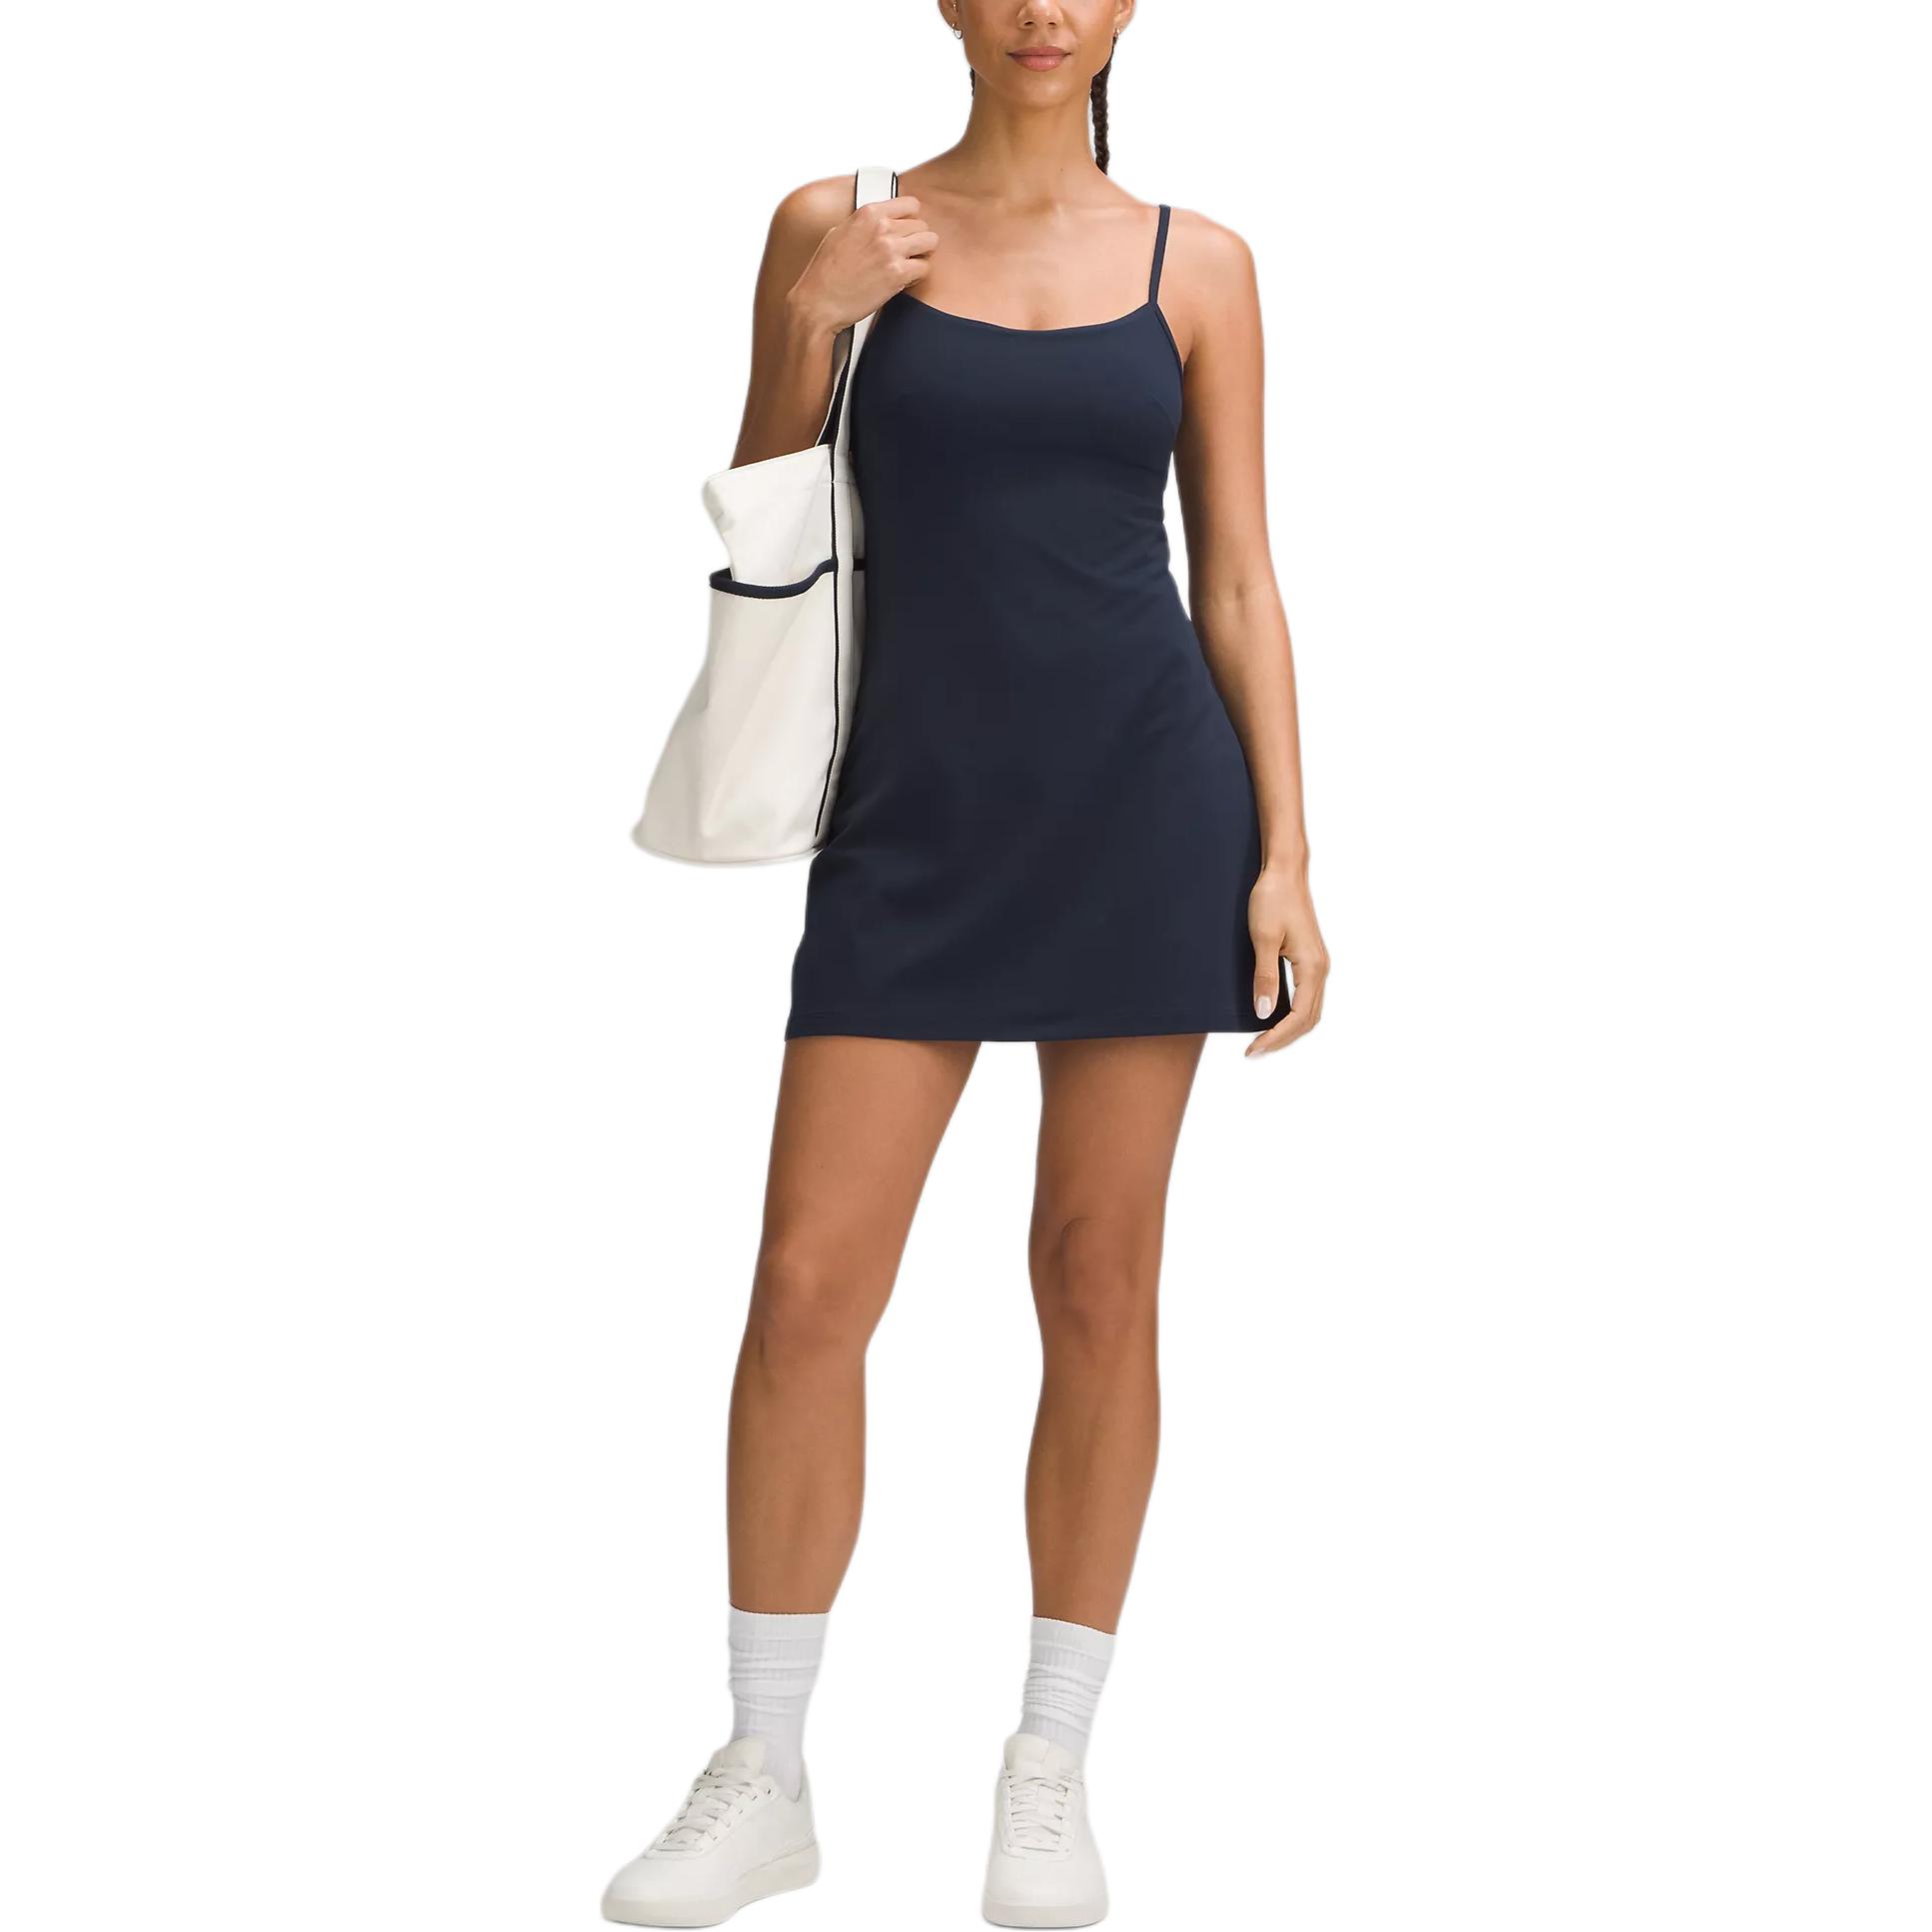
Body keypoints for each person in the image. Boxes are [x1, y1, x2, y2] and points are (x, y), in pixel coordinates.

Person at [604, 2, 1327, 1924]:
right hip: (908, 813)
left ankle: (1049, 1767)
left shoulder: (1198, 264)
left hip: (1142, 803)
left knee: (1096, 1281)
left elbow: (1235, 573)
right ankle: (764, 1769)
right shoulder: (830, 221)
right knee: (803, 1288)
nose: (1038, 13)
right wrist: (810, 322)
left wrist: (1285, 852)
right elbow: (762, 513)